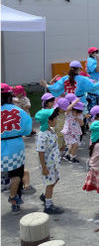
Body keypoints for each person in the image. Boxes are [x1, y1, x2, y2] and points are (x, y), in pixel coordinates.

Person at [1, 84, 33, 214]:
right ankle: (14, 200)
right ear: (10, 96)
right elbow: (27, 130)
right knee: (17, 176)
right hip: (15, 146)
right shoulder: (18, 110)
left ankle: (7, 187)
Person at [35, 108, 64, 214]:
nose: (57, 119)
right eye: (55, 117)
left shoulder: (50, 130)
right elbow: (40, 152)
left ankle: (45, 196)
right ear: (48, 120)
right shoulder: (42, 135)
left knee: (55, 180)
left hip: (54, 162)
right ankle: (48, 206)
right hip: (48, 165)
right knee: (50, 184)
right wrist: (44, 167)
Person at [62, 99, 84, 164]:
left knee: (72, 146)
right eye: (76, 112)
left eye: (79, 112)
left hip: (76, 132)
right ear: (73, 110)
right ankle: (72, 158)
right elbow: (67, 109)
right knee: (75, 145)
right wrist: (75, 102)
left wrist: (79, 120)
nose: (77, 114)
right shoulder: (69, 114)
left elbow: (82, 124)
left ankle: (67, 156)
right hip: (68, 132)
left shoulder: (80, 116)